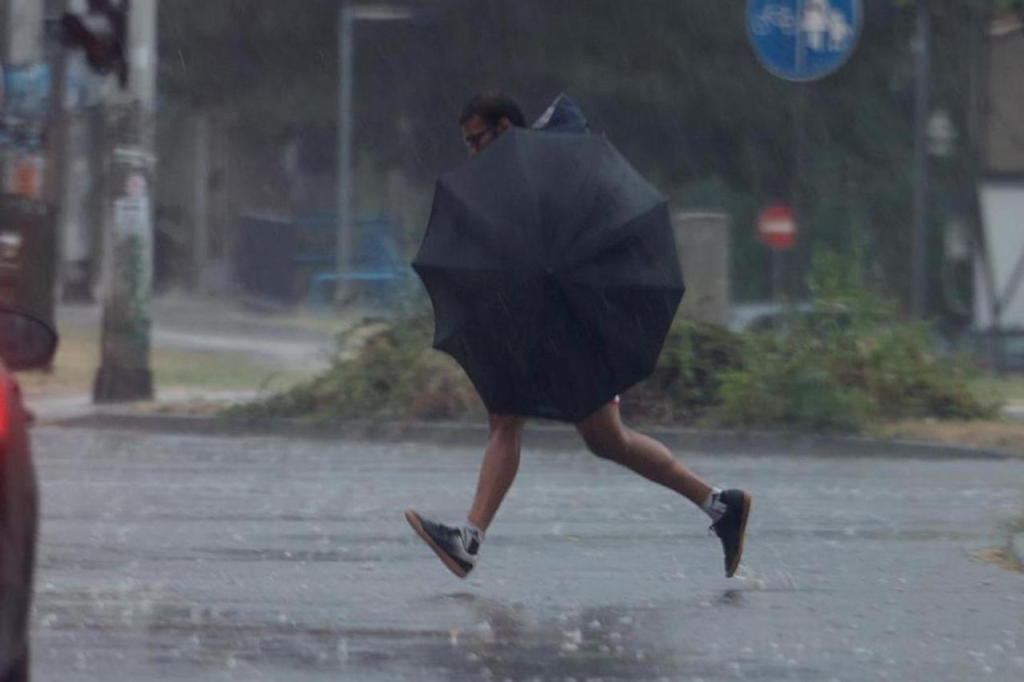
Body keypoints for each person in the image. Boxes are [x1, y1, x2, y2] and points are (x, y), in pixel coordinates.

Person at [405, 92, 751, 580]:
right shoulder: (511, 182)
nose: (472, 154)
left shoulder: (545, 169)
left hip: (580, 315)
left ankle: (470, 540)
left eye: (477, 140)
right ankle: (721, 505)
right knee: (604, 440)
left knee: (510, 418)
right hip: (553, 316)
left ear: (505, 128)